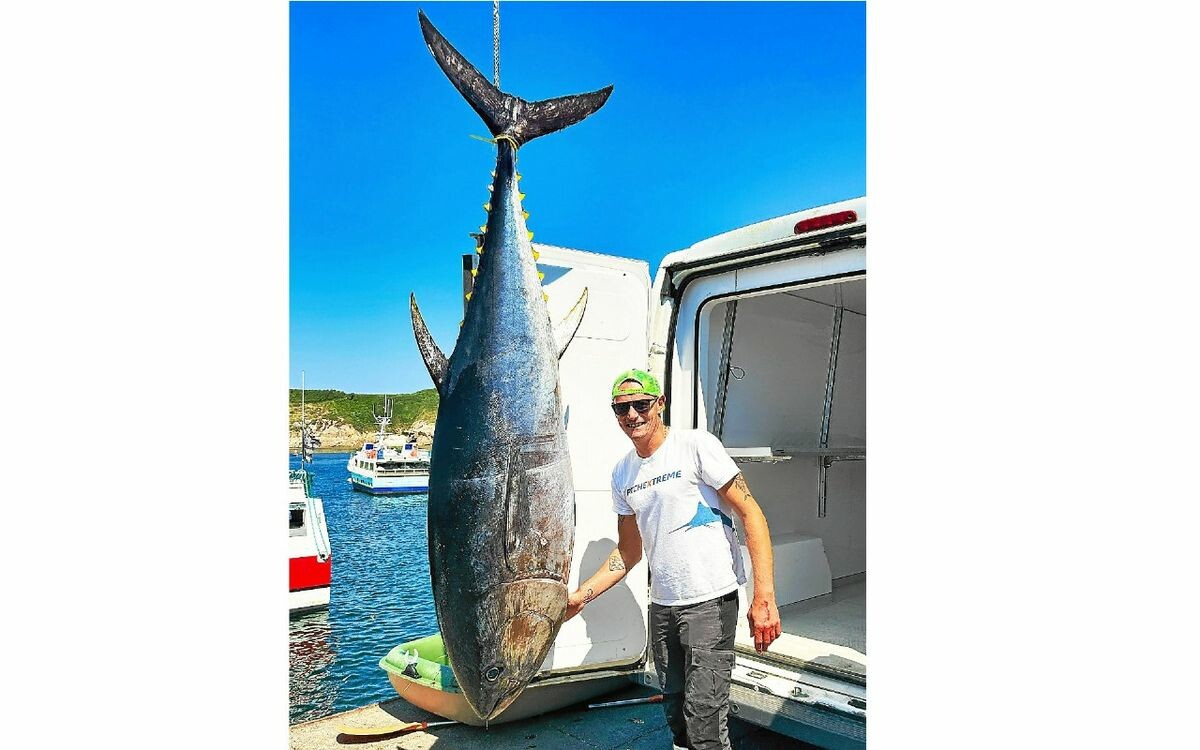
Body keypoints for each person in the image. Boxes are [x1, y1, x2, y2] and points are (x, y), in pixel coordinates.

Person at [564, 368, 781, 750]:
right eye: (622, 408)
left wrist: (763, 597)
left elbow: (751, 513)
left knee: (705, 721)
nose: (632, 415)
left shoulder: (695, 445)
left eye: (641, 404)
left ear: (660, 404)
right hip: (663, 607)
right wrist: (580, 598)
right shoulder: (623, 473)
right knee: (676, 714)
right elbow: (628, 551)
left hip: (710, 603)